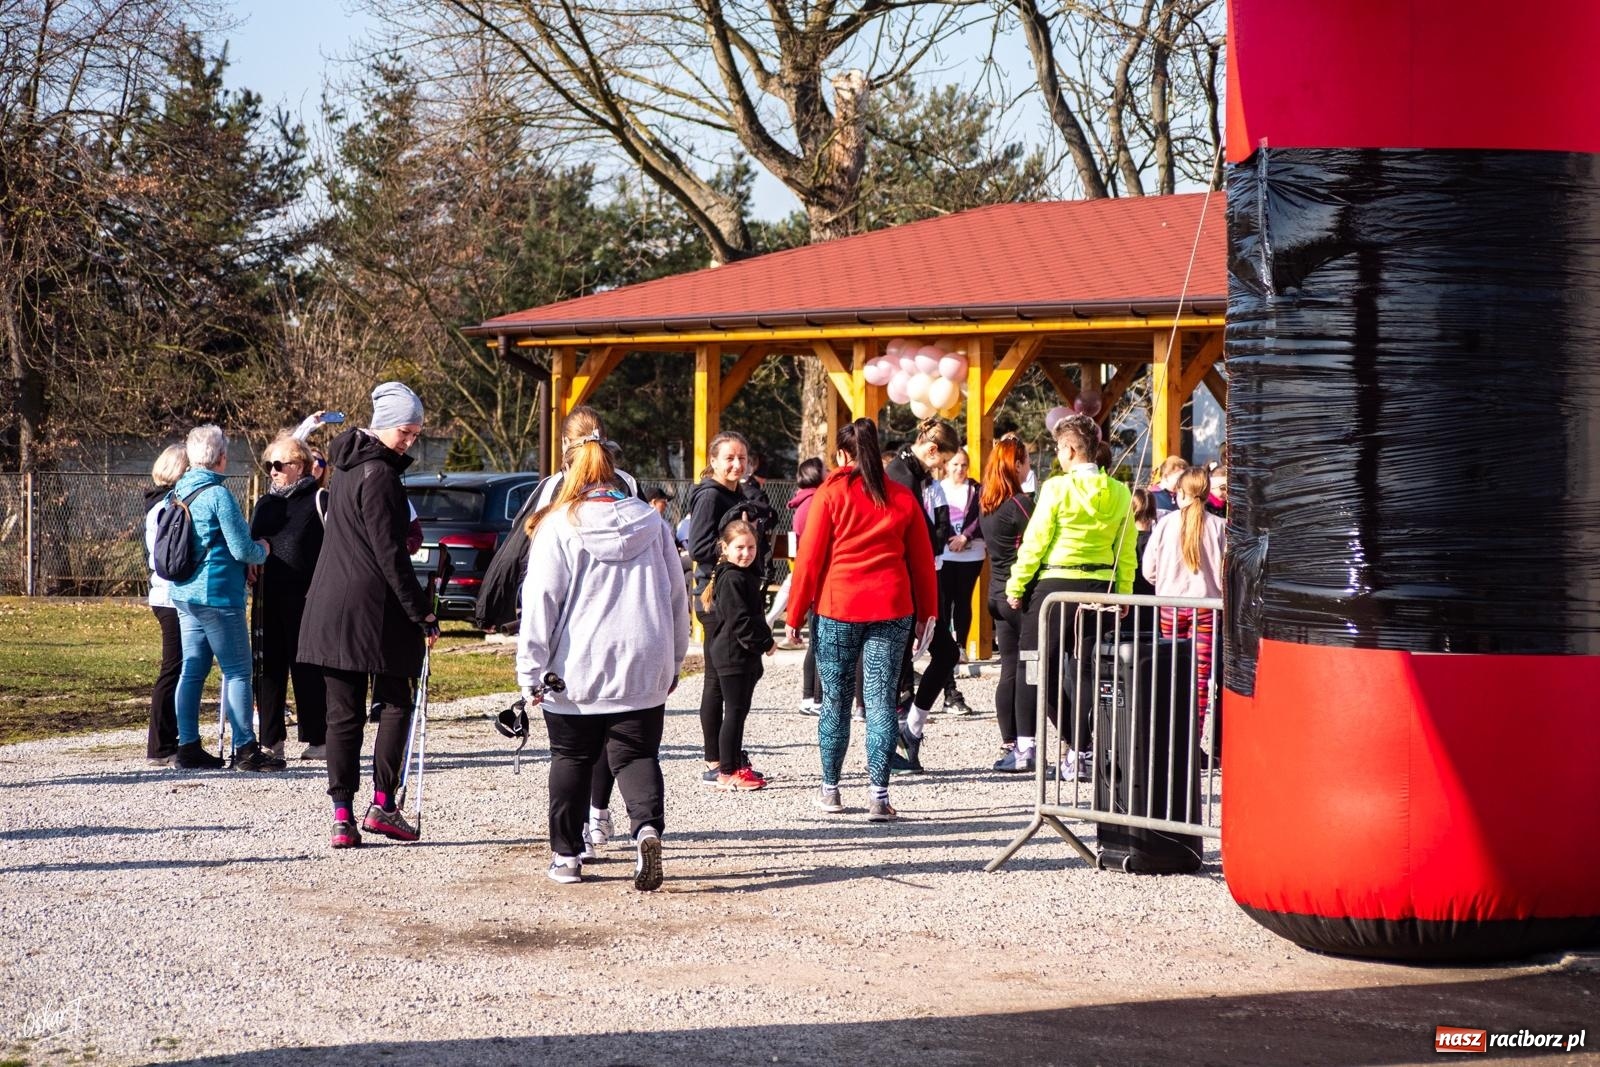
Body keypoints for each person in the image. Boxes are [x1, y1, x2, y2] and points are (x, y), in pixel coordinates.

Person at [517, 431, 688, 888]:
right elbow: (676, 596)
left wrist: (529, 672)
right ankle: (646, 830)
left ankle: (567, 856)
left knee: (571, 757)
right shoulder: (653, 524)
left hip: (576, 668)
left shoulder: (557, 527)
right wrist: (674, 659)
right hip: (643, 657)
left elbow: (541, 604)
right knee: (636, 755)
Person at [299, 382, 438, 849]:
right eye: (406, 432)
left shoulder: (346, 469)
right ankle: (381, 804)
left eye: (416, 434)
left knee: (343, 715)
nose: (410, 441)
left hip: (331, 605)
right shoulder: (379, 474)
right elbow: (389, 554)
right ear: (383, 427)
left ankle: (342, 816)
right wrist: (422, 613)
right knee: (395, 700)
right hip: (372, 609)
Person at [785, 419, 938, 821]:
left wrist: (795, 612)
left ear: (841, 454)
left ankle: (831, 790)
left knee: (835, 699)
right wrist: (928, 614)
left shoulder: (830, 494)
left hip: (838, 607)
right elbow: (922, 564)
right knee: (880, 701)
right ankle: (879, 797)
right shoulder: (903, 497)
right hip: (892, 608)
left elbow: (810, 557)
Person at [1005, 414, 1136, 779]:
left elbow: (1035, 542)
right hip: (1101, 586)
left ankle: (1028, 746)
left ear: (1070, 450)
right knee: (1086, 671)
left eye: (1060, 449)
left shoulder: (1057, 488)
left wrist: (1016, 585)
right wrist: (1124, 592)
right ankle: (1081, 750)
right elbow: (1126, 549)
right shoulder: (1122, 491)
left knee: (1033, 665)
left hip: (1056, 586)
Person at [167, 425, 282, 772]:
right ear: (220, 457)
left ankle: (187, 745)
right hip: (217, 595)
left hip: (184, 593)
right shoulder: (218, 495)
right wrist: (264, 549)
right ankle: (246, 748)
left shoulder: (178, 491)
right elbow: (241, 547)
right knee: (237, 671)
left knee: (192, 670)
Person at [688, 430, 775, 785]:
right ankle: (717, 761)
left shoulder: (738, 492)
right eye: (729, 458)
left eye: (742, 458)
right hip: (717, 595)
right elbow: (698, 547)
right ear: (713, 461)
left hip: (732, 590)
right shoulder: (710, 496)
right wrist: (733, 554)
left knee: (722, 682)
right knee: (719, 683)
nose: (737, 465)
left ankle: (725, 755)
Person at [885, 416, 960, 772]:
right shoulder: (901, 476)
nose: (943, 470)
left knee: (945, 653)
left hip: (918, 583)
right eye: (942, 462)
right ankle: (898, 738)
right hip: (903, 588)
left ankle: (910, 729)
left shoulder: (911, 475)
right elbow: (915, 536)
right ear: (931, 450)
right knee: (901, 669)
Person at [249, 434, 328, 761]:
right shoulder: (266, 504)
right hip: (268, 596)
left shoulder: (320, 498)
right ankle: (271, 740)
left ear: (301, 467)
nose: (274, 471)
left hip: (307, 597)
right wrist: (249, 564)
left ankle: (318, 739)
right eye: (269, 465)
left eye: (280, 464)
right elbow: (251, 541)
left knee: (307, 666)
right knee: (269, 668)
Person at [1142, 465, 1225, 734]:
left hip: (1170, 606)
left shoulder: (1165, 524)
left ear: (1180, 493)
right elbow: (1227, 575)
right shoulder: (1220, 527)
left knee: (1172, 671)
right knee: (1200, 679)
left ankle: (1170, 734)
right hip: (1207, 609)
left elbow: (1148, 571)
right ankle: (1194, 735)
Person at [701, 520, 776, 790]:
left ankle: (733, 762)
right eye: (740, 547)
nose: (746, 553)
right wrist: (764, 642)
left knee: (738, 711)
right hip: (733, 654)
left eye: (751, 547)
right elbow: (741, 621)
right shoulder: (732, 577)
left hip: (741, 655)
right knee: (733, 712)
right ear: (725, 548)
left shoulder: (742, 574)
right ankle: (727, 770)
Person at [978, 435, 1033, 772]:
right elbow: (1040, 540)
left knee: (1008, 668)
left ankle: (1009, 740)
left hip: (995, 593)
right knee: (1028, 668)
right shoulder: (1020, 504)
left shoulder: (987, 504)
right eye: (1026, 461)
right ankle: (1025, 744)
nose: (1029, 467)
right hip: (1017, 594)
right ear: (1016, 465)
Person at [142, 444, 188, 766]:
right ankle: (159, 746)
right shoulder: (165, 508)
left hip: (167, 595)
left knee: (179, 666)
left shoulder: (159, 506)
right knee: (173, 667)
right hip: (170, 597)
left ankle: (168, 740)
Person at [937, 447, 983, 716]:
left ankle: (961, 644)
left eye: (964, 464)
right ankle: (945, 646)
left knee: (964, 600)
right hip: (945, 553)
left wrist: (965, 536)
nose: (960, 469)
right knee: (944, 602)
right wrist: (948, 540)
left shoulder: (976, 489)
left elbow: (980, 517)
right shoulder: (938, 489)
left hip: (971, 552)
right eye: (955, 464)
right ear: (946, 466)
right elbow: (935, 519)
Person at [784, 458, 826, 715]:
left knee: (816, 641)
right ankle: (816, 698)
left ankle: (810, 696)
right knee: (821, 641)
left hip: (807, 576)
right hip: (816, 579)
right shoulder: (814, 503)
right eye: (825, 469)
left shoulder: (803, 502)